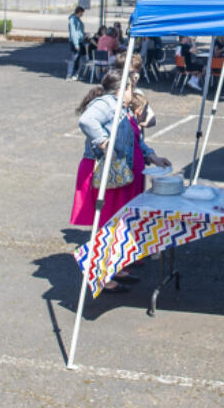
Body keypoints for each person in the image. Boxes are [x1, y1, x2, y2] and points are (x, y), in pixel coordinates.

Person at [71, 70, 171, 292]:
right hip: (109, 175)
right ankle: (102, 274)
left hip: (122, 176)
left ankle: (114, 267)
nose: (132, 92)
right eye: (130, 88)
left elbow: (135, 140)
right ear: (122, 89)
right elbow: (87, 120)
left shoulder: (123, 108)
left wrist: (151, 156)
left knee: (118, 224)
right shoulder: (107, 103)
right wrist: (104, 144)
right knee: (107, 224)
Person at [66, 6, 87, 80]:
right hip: (75, 42)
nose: (82, 14)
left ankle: (76, 74)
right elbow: (73, 32)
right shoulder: (73, 20)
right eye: (82, 13)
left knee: (78, 58)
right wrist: (76, 44)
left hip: (80, 41)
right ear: (79, 12)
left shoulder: (77, 19)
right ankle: (69, 74)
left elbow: (79, 31)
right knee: (73, 58)